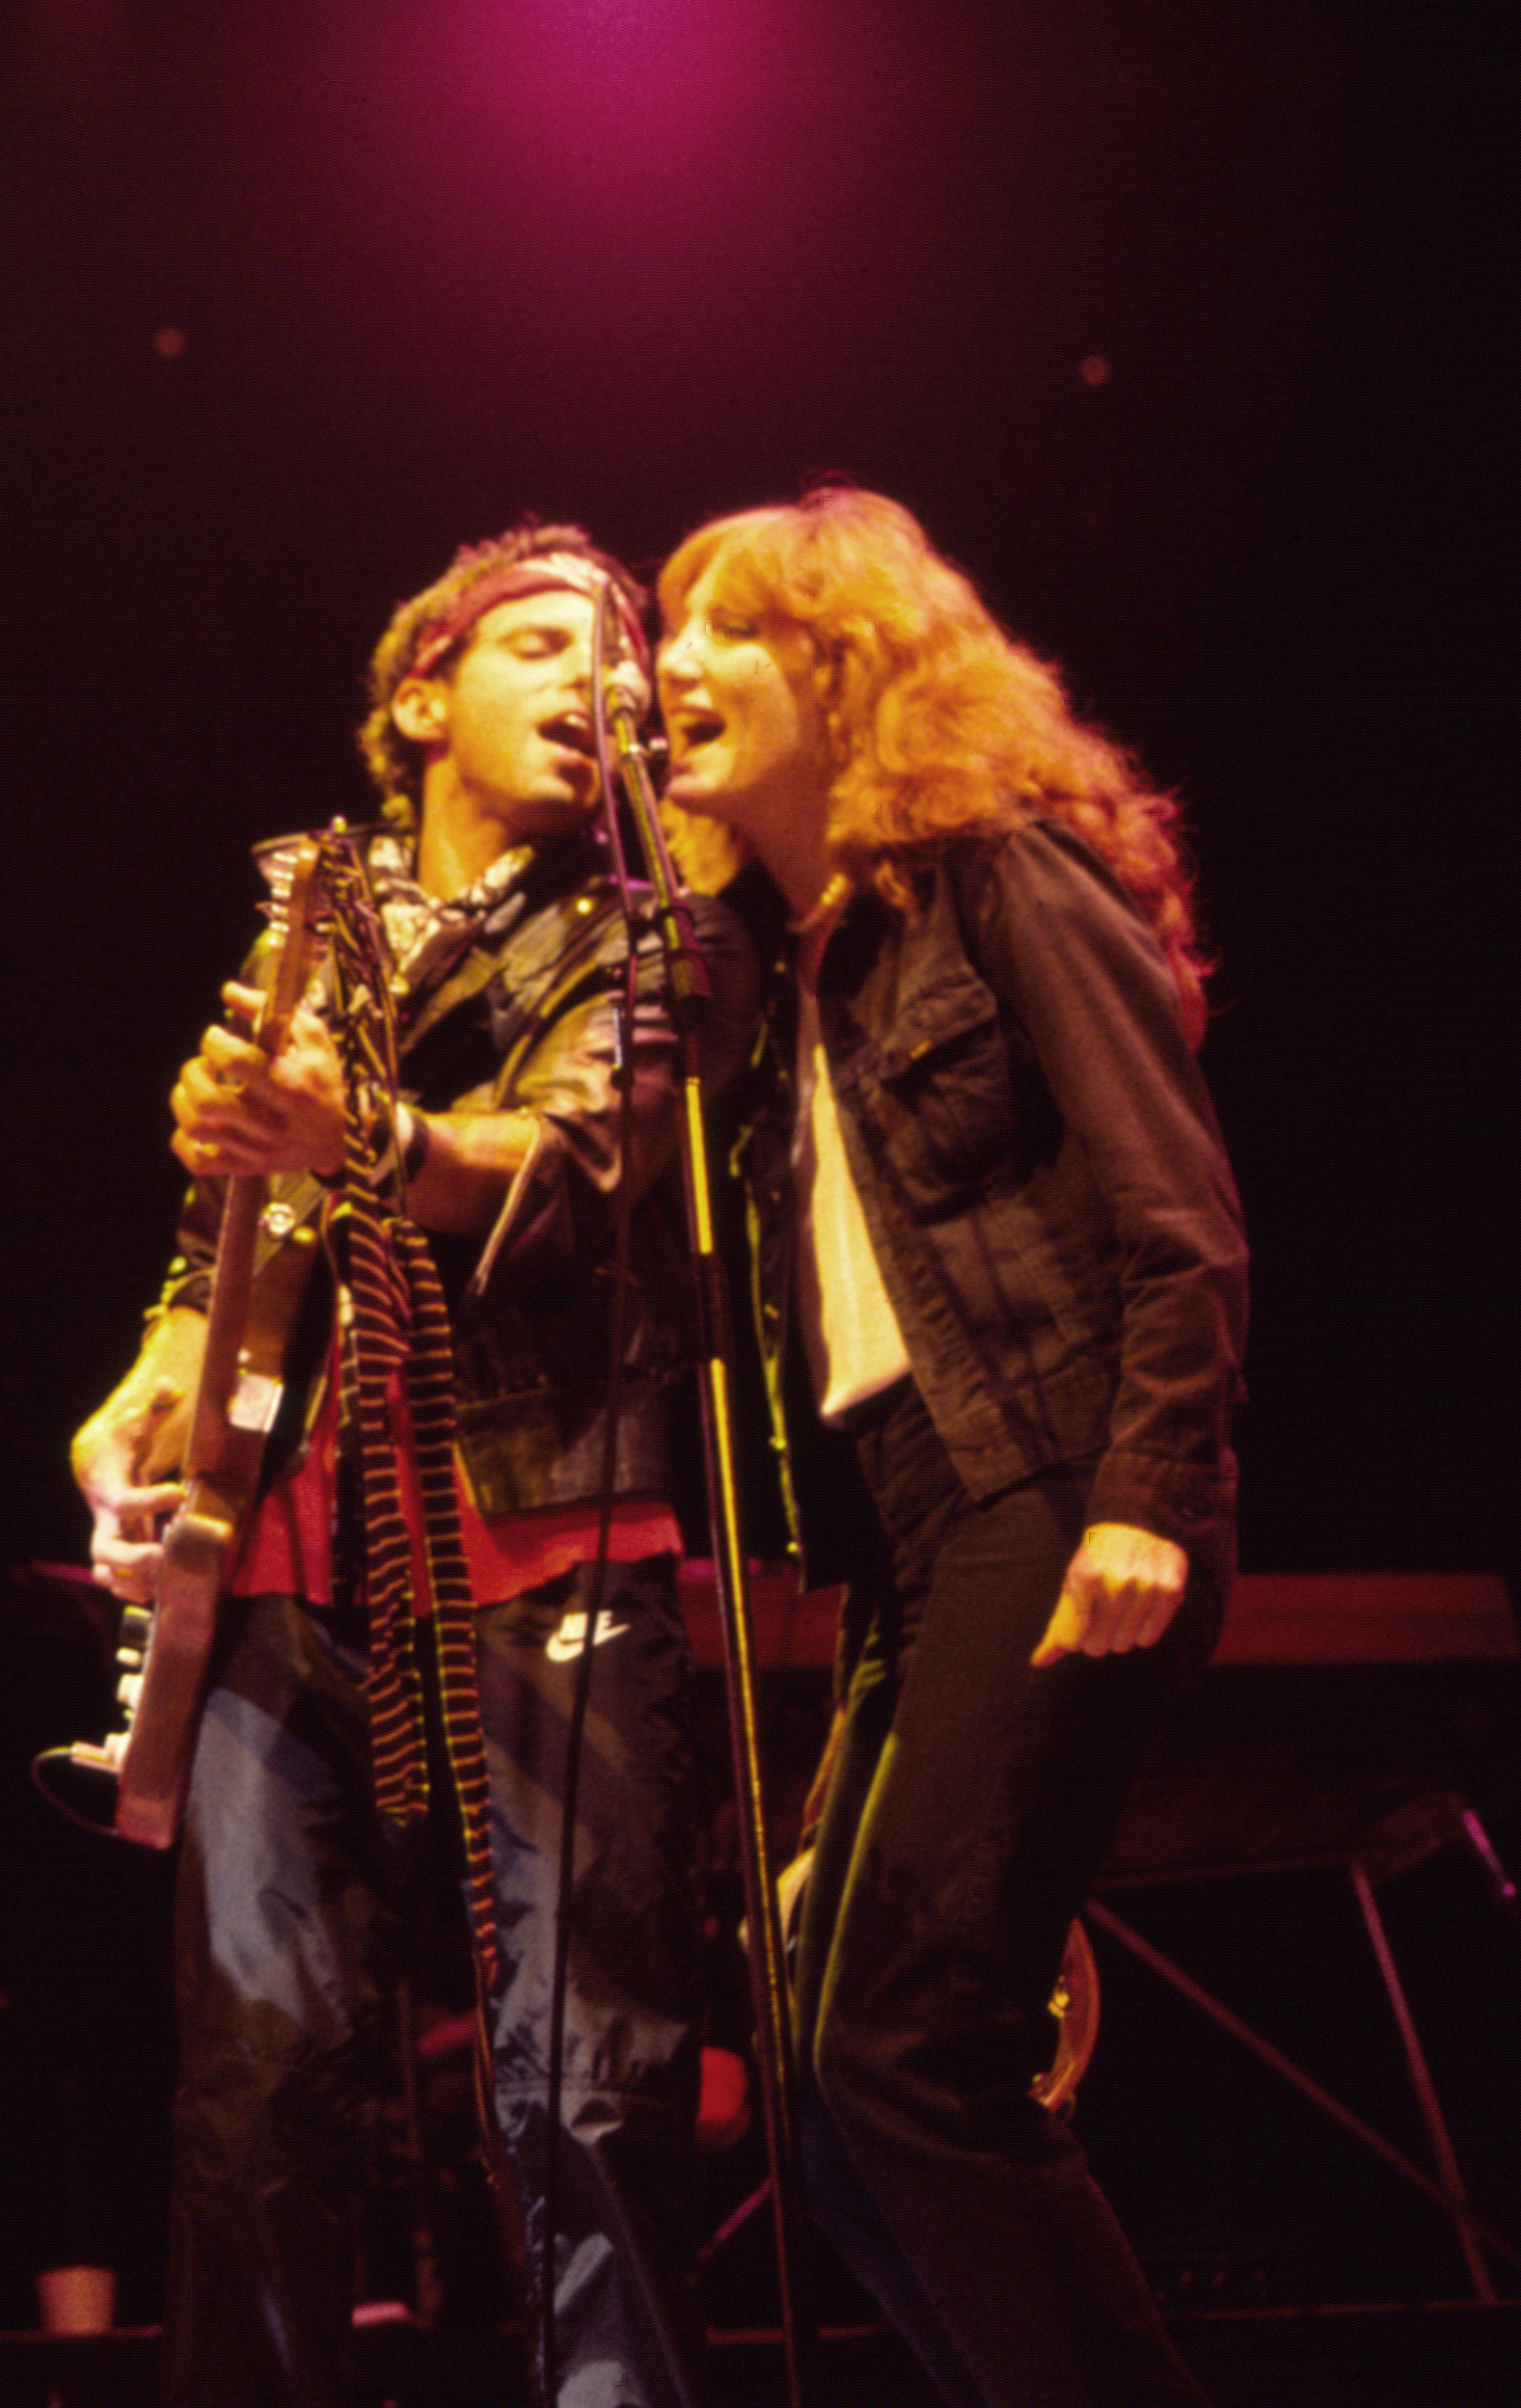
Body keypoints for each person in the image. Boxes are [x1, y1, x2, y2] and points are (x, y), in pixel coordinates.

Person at [71, 525, 745, 2405]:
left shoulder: (661, 922)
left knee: (584, 2075)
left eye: (618, 652)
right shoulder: (313, 917)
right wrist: (143, 1380)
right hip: (289, 1563)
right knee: (253, 2086)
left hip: (550, 1544)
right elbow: (221, 1247)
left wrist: (363, 1130)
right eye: (539, 641)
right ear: (420, 700)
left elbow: (571, 1161)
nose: (595, 674)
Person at [653, 485, 1244, 2407]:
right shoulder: (795, 972)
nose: (672, 668)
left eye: (723, 630)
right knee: (832, 2100)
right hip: (921, 1530)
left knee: (917, 2043)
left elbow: (1180, 1217)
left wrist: (1149, 1494)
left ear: (842, 667)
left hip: (1053, 1484)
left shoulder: (995, 877)